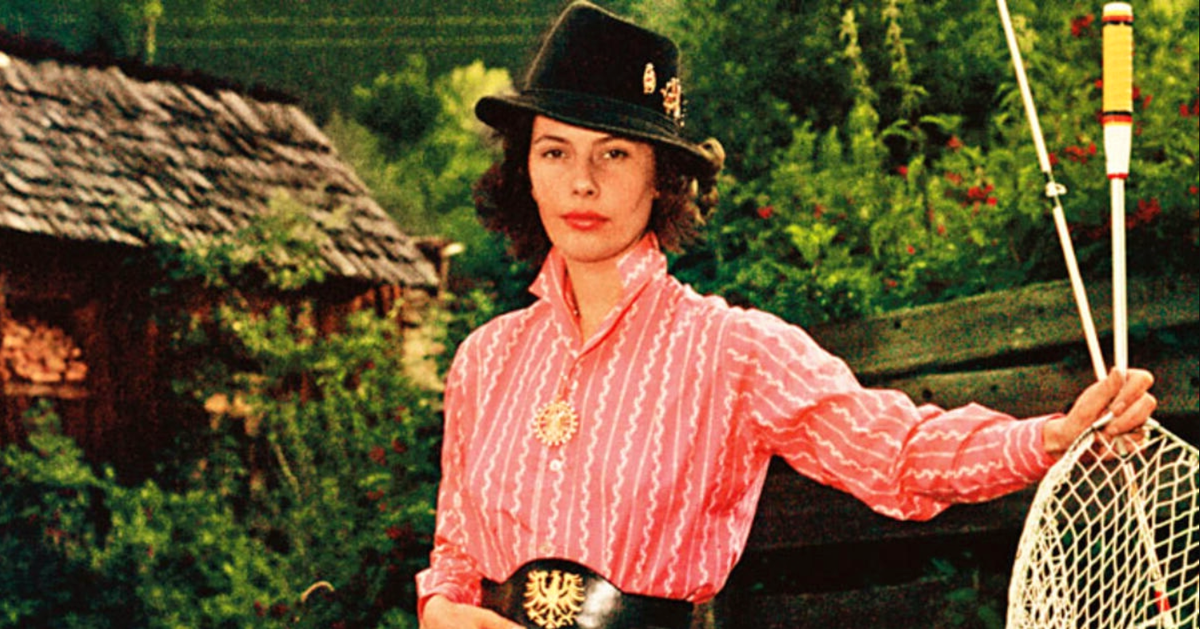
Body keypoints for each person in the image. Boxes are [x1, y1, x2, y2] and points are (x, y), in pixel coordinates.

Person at [415, 3, 1157, 628]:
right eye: (554, 152)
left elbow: (895, 450)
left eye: (614, 154)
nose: (581, 182)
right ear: (525, 170)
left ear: (661, 178)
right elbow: (455, 550)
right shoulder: (486, 358)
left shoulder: (730, 349)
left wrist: (1050, 438)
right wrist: (443, 607)